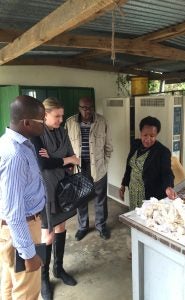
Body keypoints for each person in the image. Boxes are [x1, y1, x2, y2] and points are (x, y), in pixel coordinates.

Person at [32, 97, 80, 300]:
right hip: (44, 191)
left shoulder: (62, 132)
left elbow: (72, 156)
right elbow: (43, 165)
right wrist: (66, 159)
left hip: (63, 187)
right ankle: (44, 279)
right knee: (47, 235)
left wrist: (57, 158)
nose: (61, 119)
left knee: (61, 228)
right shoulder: (36, 134)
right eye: (57, 116)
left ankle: (58, 269)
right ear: (44, 115)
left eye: (62, 115)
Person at [0, 95, 46, 300]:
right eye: (41, 121)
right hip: (22, 227)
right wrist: (28, 254)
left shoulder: (8, 141)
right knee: (27, 292)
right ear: (26, 123)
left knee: (10, 282)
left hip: (10, 229)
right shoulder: (16, 155)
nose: (44, 124)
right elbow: (14, 212)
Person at [65, 97, 113, 241]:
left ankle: (101, 226)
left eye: (90, 107)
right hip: (79, 168)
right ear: (78, 108)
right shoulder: (70, 122)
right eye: (84, 108)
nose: (87, 111)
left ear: (93, 108)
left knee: (100, 198)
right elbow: (66, 146)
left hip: (98, 167)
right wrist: (69, 164)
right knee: (81, 199)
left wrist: (104, 164)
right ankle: (82, 227)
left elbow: (109, 147)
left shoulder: (102, 121)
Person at [119, 116, 177, 210]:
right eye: (145, 135)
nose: (148, 139)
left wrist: (168, 187)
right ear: (140, 133)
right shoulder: (135, 144)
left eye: (152, 136)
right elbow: (130, 167)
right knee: (134, 217)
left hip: (150, 195)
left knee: (147, 220)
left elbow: (167, 172)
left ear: (156, 135)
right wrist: (123, 185)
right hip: (133, 191)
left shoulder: (162, 151)